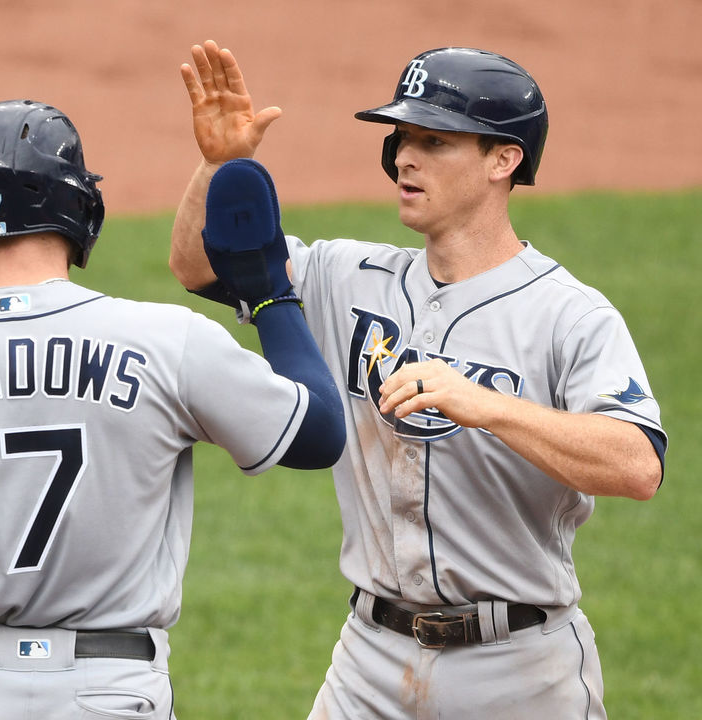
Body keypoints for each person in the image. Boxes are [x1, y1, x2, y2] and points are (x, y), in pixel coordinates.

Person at [170, 41, 667, 719]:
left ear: (503, 159)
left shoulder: (568, 315)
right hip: (371, 660)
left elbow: (637, 464)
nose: (404, 157)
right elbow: (200, 264)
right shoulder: (344, 277)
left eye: (434, 141)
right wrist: (220, 164)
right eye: (402, 139)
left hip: (520, 668)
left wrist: (487, 406)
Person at [0, 98, 346, 719]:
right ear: (77, 206)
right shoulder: (163, 341)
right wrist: (271, 296)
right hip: (109, 691)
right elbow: (317, 434)